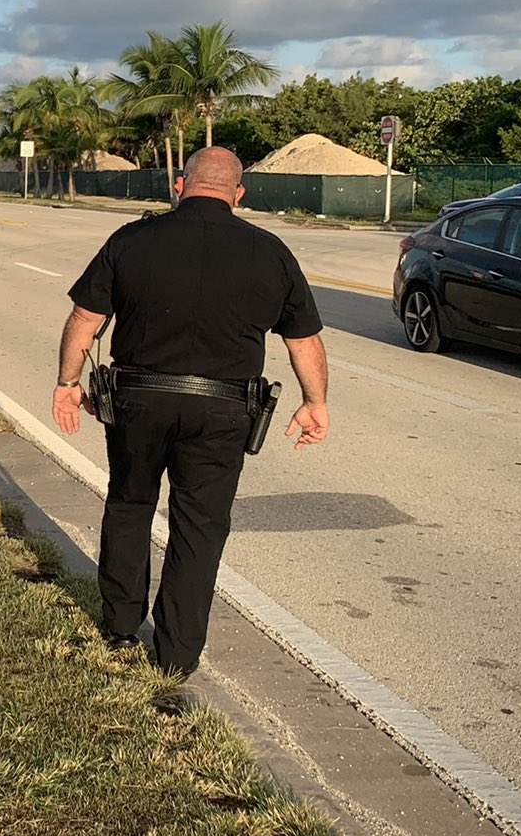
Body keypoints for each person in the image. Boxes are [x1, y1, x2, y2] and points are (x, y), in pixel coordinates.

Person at [51, 146, 330, 677]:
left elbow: (85, 316)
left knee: (131, 505)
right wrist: (314, 404)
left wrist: (67, 383)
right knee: (200, 527)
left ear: (180, 185)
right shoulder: (270, 252)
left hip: (139, 401)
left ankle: (119, 626)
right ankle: (177, 655)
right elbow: (304, 341)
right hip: (224, 410)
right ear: (238, 195)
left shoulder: (131, 240)